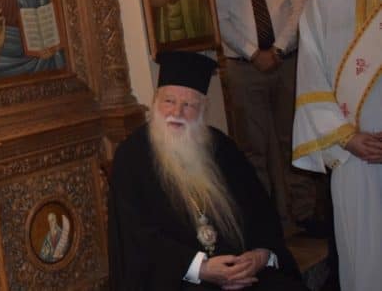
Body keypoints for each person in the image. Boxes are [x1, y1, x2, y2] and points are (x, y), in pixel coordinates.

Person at [108, 51, 305, 291]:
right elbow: (135, 238)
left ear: (203, 109)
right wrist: (200, 267)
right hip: (178, 278)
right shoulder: (132, 157)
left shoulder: (222, 148)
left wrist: (259, 255)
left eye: (189, 105)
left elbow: (260, 211)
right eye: (169, 101)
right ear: (155, 102)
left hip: (243, 271)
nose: (177, 113)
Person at [292, 0, 382, 291]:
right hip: (352, 159)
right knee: (362, 259)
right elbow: (311, 84)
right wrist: (348, 138)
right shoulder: (321, 5)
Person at [210, 0, 313, 227]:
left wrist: (278, 49)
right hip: (244, 68)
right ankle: (266, 220)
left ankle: (305, 213)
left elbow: (301, 6)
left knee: (294, 139)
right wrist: (254, 53)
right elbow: (221, 19)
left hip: (286, 63)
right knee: (253, 147)